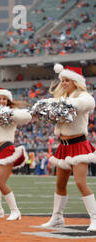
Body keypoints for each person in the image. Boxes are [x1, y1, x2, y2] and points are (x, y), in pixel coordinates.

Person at [41, 64, 96, 231]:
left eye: (67, 80)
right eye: (62, 80)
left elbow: (88, 104)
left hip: (79, 145)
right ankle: (57, 217)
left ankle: (94, 218)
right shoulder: (61, 98)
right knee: (60, 184)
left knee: (80, 182)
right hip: (63, 146)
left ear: (75, 81)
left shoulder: (83, 96)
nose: (63, 83)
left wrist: (64, 102)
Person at [0, 88, 32, 221]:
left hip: (7, 150)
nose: (1, 101)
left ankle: (15, 211)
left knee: (0, 182)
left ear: (8, 101)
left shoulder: (12, 114)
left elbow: (27, 116)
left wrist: (9, 113)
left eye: (4, 99)